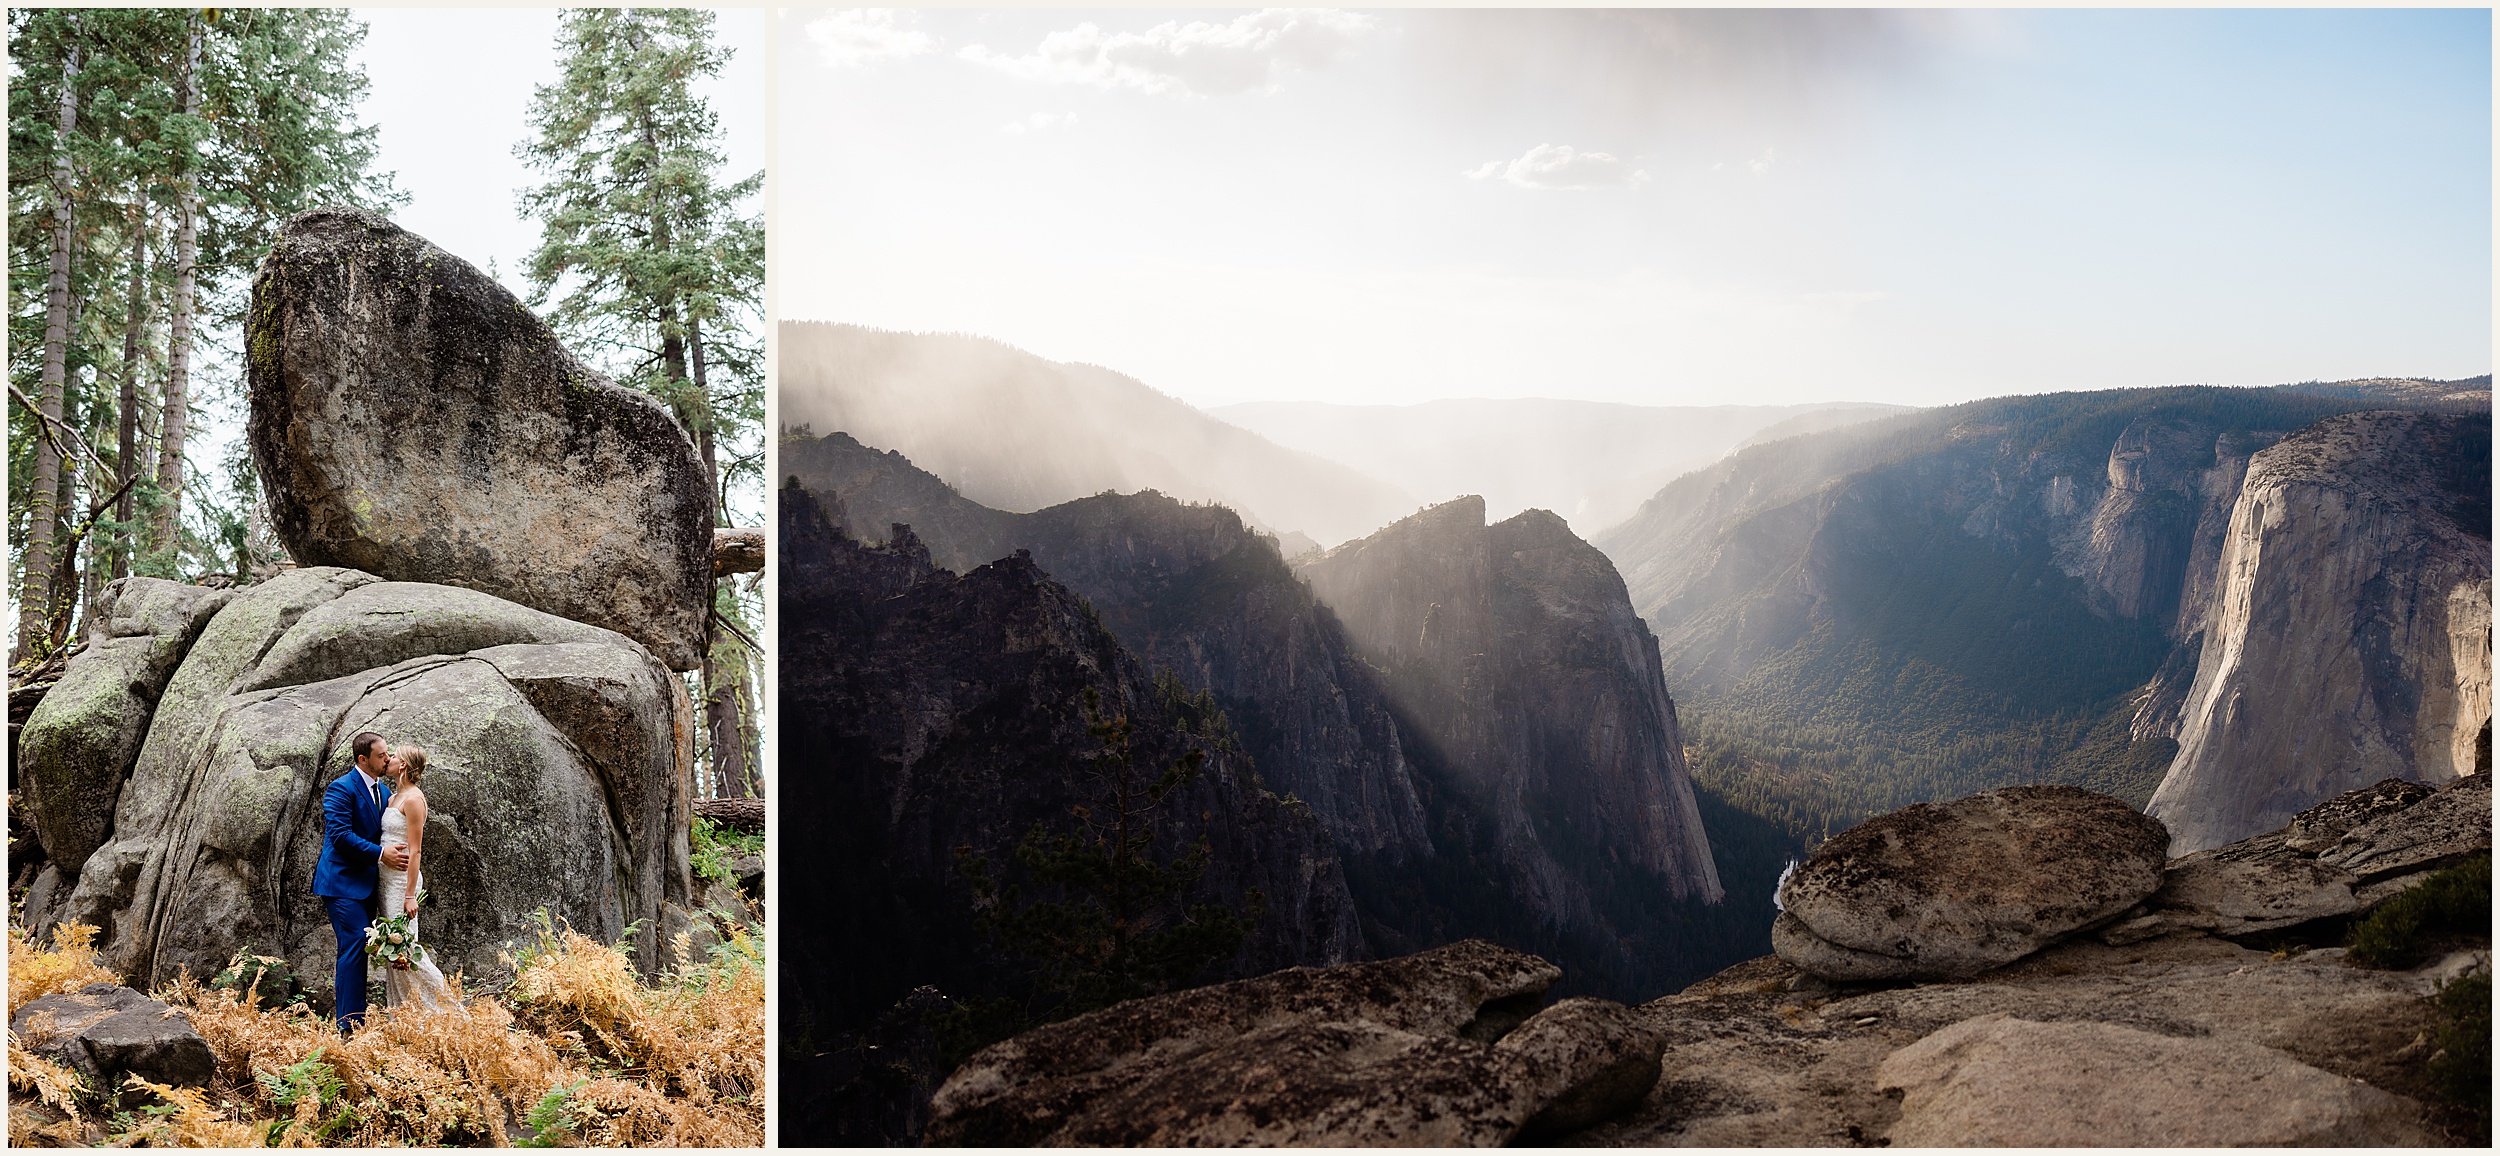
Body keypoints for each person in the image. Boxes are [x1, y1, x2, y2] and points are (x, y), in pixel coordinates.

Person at [311, 731, 410, 1034]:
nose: (388, 759)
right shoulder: (340, 789)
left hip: (370, 886)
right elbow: (340, 837)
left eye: (388, 754)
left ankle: (358, 1021)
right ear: (362, 759)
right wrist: (382, 854)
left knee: (367, 948)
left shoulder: (383, 792)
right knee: (354, 944)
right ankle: (349, 1028)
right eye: (382, 756)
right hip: (341, 884)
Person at [378, 745, 456, 1010]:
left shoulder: (414, 799)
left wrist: (410, 895)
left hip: (402, 883)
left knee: (406, 950)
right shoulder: (392, 798)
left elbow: (416, 850)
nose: (388, 759)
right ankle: (403, 1017)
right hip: (385, 882)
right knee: (391, 949)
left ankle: (449, 1011)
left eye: (394, 756)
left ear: (403, 765)